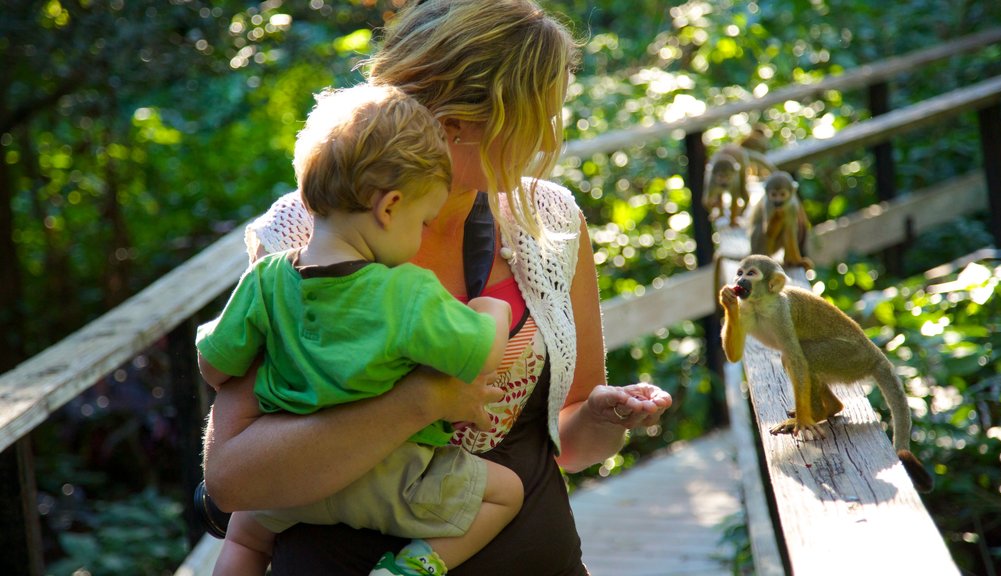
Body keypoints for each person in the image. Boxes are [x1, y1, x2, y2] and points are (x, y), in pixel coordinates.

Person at [200, 1, 674, 574]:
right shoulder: (300, 232)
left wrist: (601, 417)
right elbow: (232, 479)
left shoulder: (550, 222)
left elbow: (569, 446)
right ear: (456, 124)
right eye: (538, 115)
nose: (550, 137)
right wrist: (420, 402)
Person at [195, 84, 522, 576]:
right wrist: (489, 311)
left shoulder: (265, 278)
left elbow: (215, 365)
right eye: (422, 221)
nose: (419, 238)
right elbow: (480, 356)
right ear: (388, 207)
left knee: (243, 534)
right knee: (506, 494)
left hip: (291, 483)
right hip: (389, 478)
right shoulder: (406, 291)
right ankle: (409, 570)